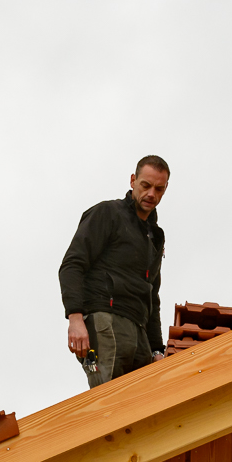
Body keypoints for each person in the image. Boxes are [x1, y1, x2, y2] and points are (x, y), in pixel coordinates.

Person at [58, 155, 170, 387]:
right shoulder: (107, 213)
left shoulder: (155, 237)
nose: (151, 194)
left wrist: (157, 349)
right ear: (133, 180)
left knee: (143, 402)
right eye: (146, 185)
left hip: (140, 332)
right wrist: (75, 319)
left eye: (159, 189)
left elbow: (152, 295)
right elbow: (72, 265)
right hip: (105, 321)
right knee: (108, 399)